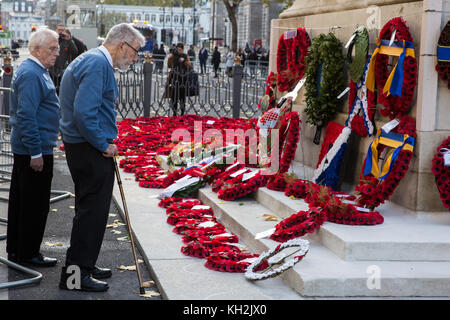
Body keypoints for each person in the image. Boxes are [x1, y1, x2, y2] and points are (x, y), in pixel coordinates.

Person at [58, 23, 145, 292]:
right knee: (90, 213)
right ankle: (75, 276)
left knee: (93, 211)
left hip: (85, 146)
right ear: (122, 44)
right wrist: (102, 144)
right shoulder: (97, 63)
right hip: (89, 148)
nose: (134, 59)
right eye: (135, 52)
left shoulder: (94, 60)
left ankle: (85, 264)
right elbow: (85, 113)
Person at [7, 28, 61, 267]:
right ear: (36, 50)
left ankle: (19, 250)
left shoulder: (36, 70)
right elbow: (26, 115)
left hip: (33, 147)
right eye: (53, 48)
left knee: (24, 201)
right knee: (33, 205)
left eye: (57, 47)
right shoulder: (31, 73)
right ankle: (28, 253)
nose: (57, 53)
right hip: (33, 150)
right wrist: (36, 152)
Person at [48, 24, 78, 94]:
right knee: (51, 89)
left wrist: (69, 40)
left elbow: (75, 52)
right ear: (56, 30)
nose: (60, 32)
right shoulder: (52, 40)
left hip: (63, 71)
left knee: (62, 91)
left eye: (62, 30)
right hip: (52, 70)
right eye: (59, 30)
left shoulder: (67, 41)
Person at [164, 42, 191, 116]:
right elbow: (169, 65)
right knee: (173, 97)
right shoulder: (173, 56)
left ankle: (182, 112)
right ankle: (174, 112)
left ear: (182, 49)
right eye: (177, 49)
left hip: (183, 79)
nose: (179, 51)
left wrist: (184, 61)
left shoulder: (185, 56)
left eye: (180, 49)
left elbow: (189, 66)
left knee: (182, 97)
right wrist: (170, 57)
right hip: (174, 78)